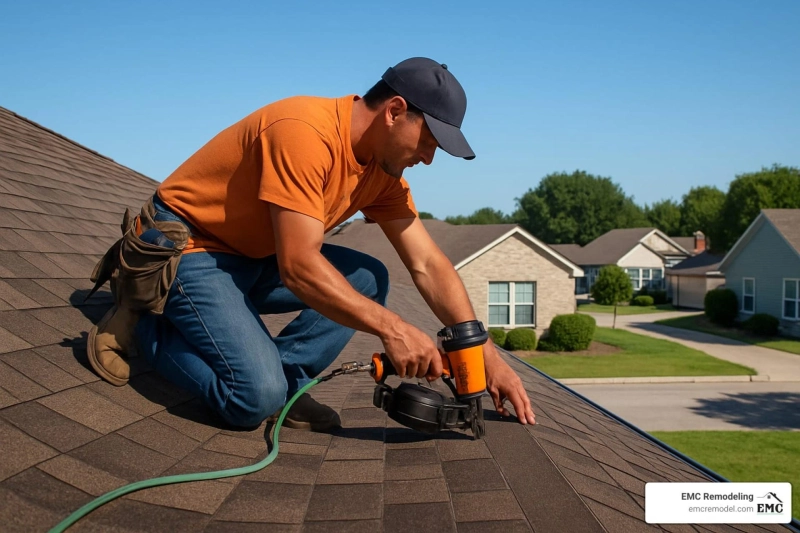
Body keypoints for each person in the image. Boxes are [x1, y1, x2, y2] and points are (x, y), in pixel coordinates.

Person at [88, 57, 536, 431]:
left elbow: (427, 264)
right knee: (250, 399)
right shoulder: (305, 132)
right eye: (430, 140)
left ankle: (288, 385)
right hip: (188, 247)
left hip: (251, 256)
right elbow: (299, 268)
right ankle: (138, 317)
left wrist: (484, 352)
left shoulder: (383, 173)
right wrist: (394, 329)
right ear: (395, 111)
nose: (429, 158)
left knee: (367, 277)